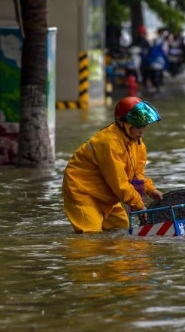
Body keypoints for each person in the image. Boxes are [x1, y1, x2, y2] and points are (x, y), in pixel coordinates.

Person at [62, 96, 164, 233]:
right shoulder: (109, 143)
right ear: (126, 125)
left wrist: (151, 190)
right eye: (139, 127)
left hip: (105, 194)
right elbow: (119, 183)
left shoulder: (138, 144)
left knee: (121, 229)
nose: (142, 131)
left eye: (144, 126)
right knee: (90, 239)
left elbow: (136, 175)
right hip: (82, 191)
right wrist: (139, 205)